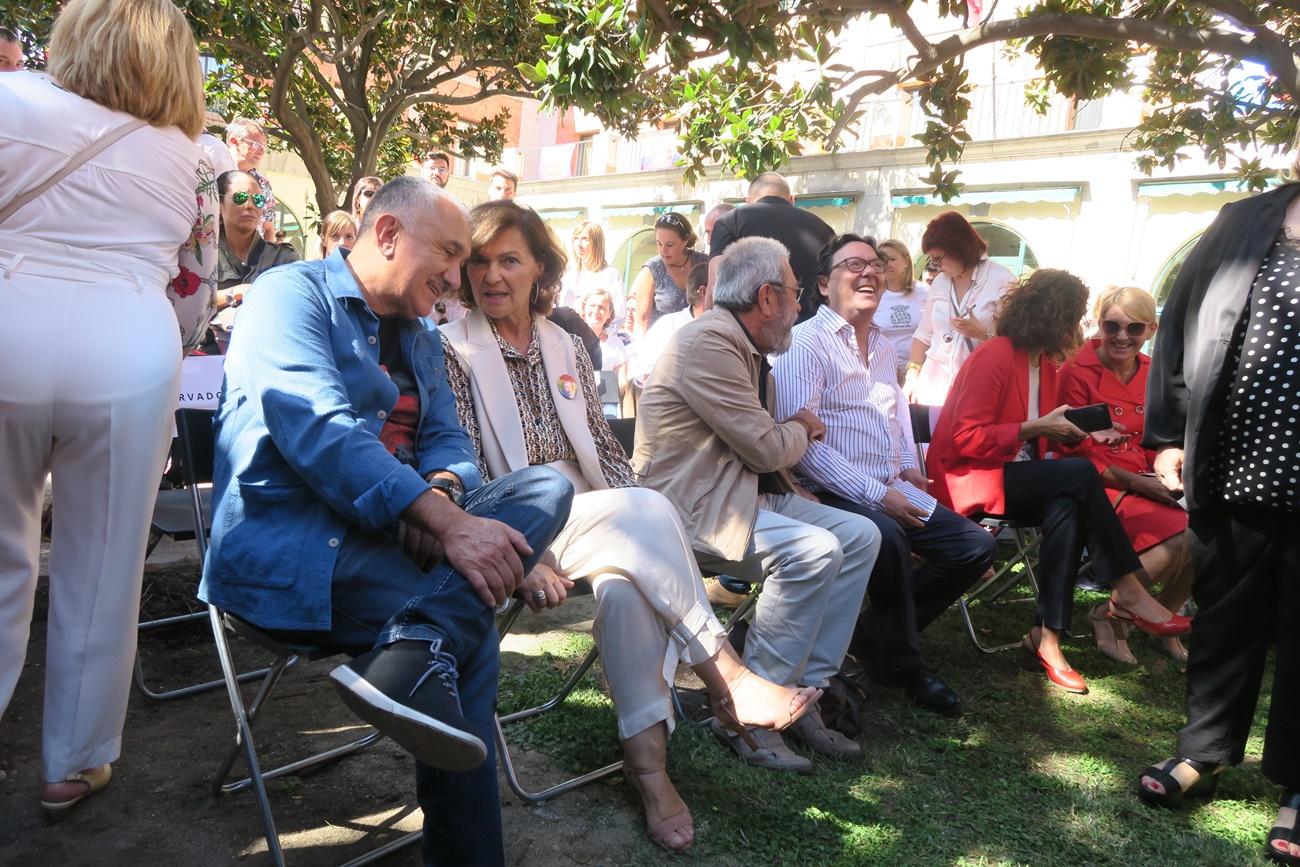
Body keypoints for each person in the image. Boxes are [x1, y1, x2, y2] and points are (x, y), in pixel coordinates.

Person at [199, 178, 575, 867]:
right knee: (473, 640)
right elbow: (321, 433)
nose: (461, 279)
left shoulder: (420, 336)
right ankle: (427, 652)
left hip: (390, 532)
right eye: (453, 254)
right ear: (390, 235)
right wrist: (442, 521)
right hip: (296, 547)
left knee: (547, 485)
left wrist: (440, 492)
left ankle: (415, 645)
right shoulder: (291, 296)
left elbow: (449, 439)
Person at [439, 201, 819, 851]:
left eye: (509, 259)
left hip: (592, 513)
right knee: (645, 512)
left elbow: (608, 455)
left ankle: (649, 770)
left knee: (625, 578)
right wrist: (523, 554)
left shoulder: (563, 341)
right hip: (521, 518)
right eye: (479, 260)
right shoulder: (453, 346)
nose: (491, 275)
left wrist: (648, 513)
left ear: (540, 268)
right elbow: (466, 466)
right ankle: (725, 673)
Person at [0, 0, 216, 814]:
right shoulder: (193, 158)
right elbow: (196, 295)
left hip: (7, 324)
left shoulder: (9, 101)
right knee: (103, 567)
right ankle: (74, 760)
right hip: (129, 347)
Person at [634, 236, 881, 773]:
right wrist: (802, 427)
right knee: (813, 550)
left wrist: (787, 438)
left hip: (737, 498)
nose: (800, 306)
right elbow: (767, 445)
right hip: (687, 512)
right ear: (767, 298)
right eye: (795, 293)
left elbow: (762, 448)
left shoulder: (741, 345)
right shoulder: (711, 344)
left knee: (863, 535)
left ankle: (805, 692)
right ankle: (746, 715)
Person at [925, 269, 1191, 695]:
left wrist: (1086, 431)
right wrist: (1035, 429)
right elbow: (965, 440)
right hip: (968, 479)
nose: (1079, 329)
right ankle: (1127, 589)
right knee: (1080, 475)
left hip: (1019, 478)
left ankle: (1046, 639)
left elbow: (1048, 432)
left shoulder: (1043, 366)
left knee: (1068, 505)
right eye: (1077, 318)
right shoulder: (996, 355)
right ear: (1053, 317)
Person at [1136, 180, 1300, 864]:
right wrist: (1170, 432)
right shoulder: (1245, 217)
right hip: (1238, 458)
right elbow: (1180, 321)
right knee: (1225, 609)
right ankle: (1203, 750)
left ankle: (1298, 787)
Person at [774, 234, 996, 717]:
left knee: (974, 546)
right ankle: (903, 662)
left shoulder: (880, 344)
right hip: (825, 492)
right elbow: (802, 449)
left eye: (875, 264)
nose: (869, 272)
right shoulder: (804, 344)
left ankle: (869, 634)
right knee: (889, 535)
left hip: (888, 484)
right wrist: (878, 494)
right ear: (823, 283)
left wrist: (908, 469)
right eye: (853, 265)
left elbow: (891, 411)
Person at [1058, 286, 1192, 664]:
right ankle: (1114, 616)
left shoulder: (1155, 373)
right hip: (1095, 483)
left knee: (1205, 536)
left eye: (1134, 328)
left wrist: (1169, 465)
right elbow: (1075, 449)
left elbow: (1163, 436)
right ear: (1099, 325)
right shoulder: (1076, 371)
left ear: (1151, 329)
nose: (1121, 336)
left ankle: (1150, 616)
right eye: (1112, 325)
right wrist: (1138, 483)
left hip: (1149, 479)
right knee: (1176, 540)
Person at [904, 212, 1016, 406]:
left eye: (938, 258)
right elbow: (923, 334)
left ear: (959, 248)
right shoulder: (940, 282)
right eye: (931, 259)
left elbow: (1017, 345)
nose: (935, 266)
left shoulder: (1002, 279)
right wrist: (912, 374)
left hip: (979, 389)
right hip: (933, 388)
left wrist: (983, 333)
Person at [709, 172, 836, 322]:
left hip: (752, 334)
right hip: (812, 334)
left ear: (748, 201)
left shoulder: (731, 222)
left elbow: (715, 288)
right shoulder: (825, 230)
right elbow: (833, 288)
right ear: (792, 200)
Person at [208, 170, 299, 350]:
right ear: (219, 204)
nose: (250, 205)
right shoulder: (203, 256)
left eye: (258, 200)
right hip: (207, 356)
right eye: (240, 198)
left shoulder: (283, 257)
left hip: (266, 353)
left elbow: (294, 307)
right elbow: (190, 302)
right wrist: (235, 293)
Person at [632, 259, 712, 388]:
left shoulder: (726, 327)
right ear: (703, 291)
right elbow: (647, 379)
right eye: (718, 286)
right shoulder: (668, 326)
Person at [630, 211, 708, 336]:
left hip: (700, 341)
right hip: (663, 345)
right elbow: (641, 321)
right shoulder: (652, 270)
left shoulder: (704, 262)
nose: (663, 251)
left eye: (670, 245)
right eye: (658, 244)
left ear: (685, 240)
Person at [876, 239, 929, 384]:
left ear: (906, 261)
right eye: (882, 260)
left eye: (892, 259)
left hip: (920, 371)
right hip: (882, 372)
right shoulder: (873, 295)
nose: (886, 264)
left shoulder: (925, 292)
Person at [224, 117, 278, 241]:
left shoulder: (263, 183)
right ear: (234, 141)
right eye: (255, 144)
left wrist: (268, 258)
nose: (261, 151)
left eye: (264, 147)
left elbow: (268, 228)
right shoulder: (213, 173)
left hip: (252, 258)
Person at [557, 220, 625, 313]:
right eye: (576, 238)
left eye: (584, 239)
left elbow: (619, 313)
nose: (579, 244)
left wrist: (600, 327)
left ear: (597, 243)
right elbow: (563, 311)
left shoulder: (610, 275)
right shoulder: (570, 277)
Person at [580, 289, 633, 387]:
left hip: (603, 400)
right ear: (583, 308)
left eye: (602, 307)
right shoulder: (571, 338)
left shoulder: (616, 344)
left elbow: (622, 383)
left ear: (609, 313)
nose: (596, 311)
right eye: (592, 305)